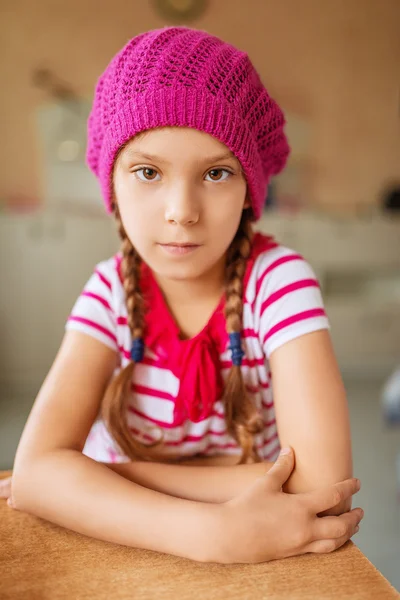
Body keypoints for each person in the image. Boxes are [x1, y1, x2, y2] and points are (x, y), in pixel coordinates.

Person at [1, 26, 363, 564]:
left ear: (249, 190)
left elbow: (321, 488)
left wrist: (102, 476)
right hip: (123, 554)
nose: (181, 210)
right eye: (148, 171)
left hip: (232, 550)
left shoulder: (278, 282)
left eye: (216, 172)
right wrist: (212, 534)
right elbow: (35, 475)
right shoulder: (110, 292)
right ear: (113, 184)